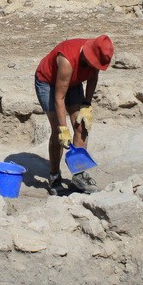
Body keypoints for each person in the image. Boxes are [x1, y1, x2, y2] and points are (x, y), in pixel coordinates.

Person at [34, 35, 114, 196]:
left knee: (81, 125)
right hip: (48, 84)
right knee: (58, 131)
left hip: (73, 83)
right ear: (86, 54)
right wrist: (63, 128)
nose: (94, 66)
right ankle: (54, 177)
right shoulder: (67, 61)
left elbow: (92, 78)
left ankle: (78, 176)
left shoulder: (96, 55)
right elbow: (59, 97)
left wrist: (86, 105)